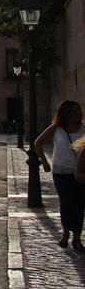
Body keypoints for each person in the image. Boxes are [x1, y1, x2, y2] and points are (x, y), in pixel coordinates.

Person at [35, 100, 85, 250]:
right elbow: (38, 143)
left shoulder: (83, 129)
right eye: (74, 111)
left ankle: (77, 238)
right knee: (67, 202)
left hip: (80, 172)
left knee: (79, 205)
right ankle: (65, 233)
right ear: (66, 114)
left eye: (78, 111)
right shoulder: (57, 129)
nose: (78, 114)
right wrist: (44, 162)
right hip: (61, 172)